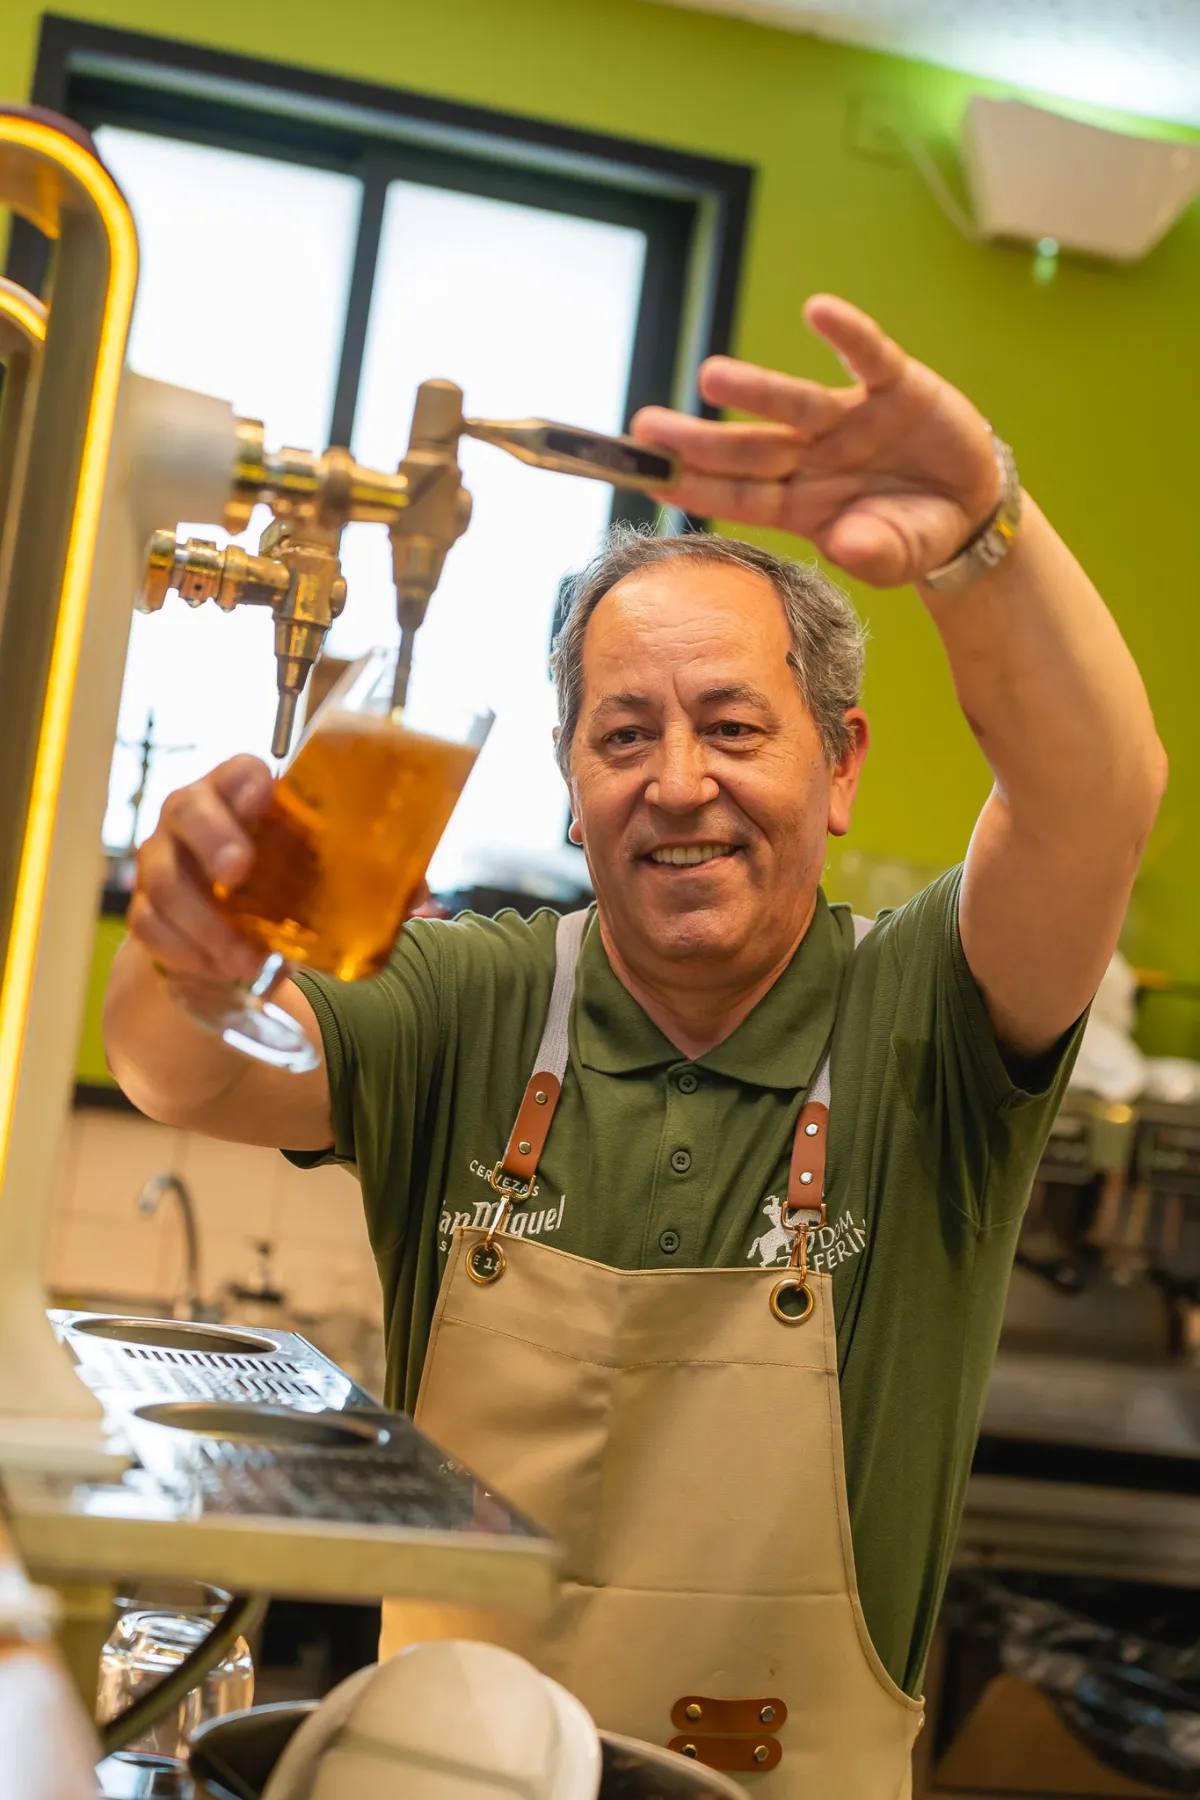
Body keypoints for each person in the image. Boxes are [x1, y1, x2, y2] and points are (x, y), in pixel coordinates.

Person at [104, 296, 1165, 1797]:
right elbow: (184, 1067)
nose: (678, 785)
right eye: (622, 736)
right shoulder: (472, 1000)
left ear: (841, 762)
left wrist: (982, 532)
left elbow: (1097, 800)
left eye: (735, 727)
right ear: (567, 777)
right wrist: (181, 946)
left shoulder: (929, 1019)